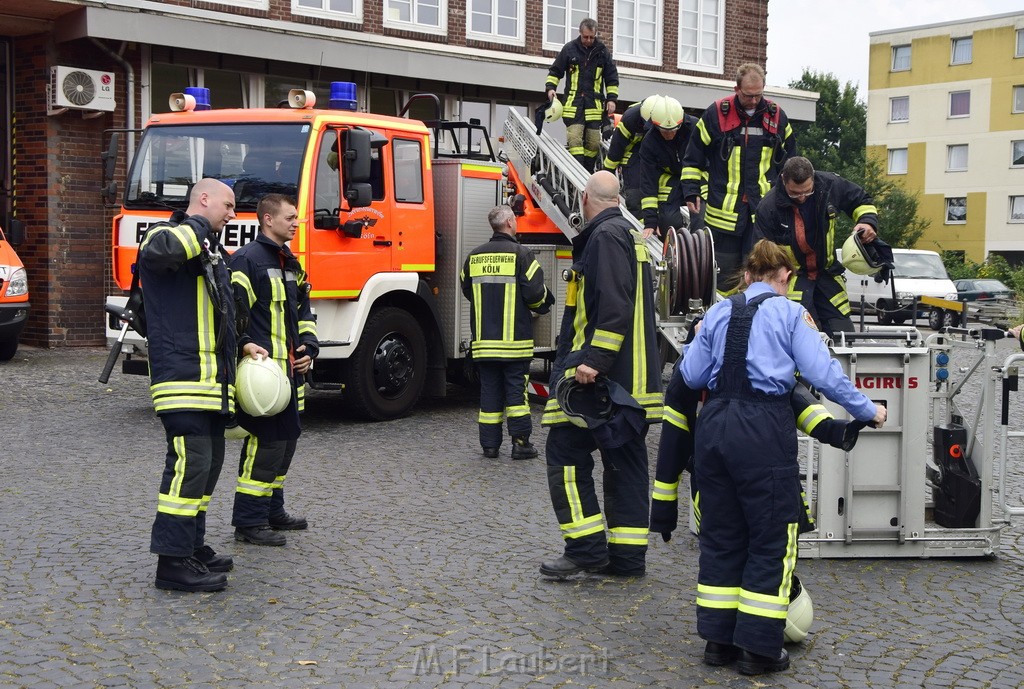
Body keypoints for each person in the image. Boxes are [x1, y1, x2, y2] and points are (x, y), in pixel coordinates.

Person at [681, 239, 886, 675]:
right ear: (784, 276)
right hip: (761, 429)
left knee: (721, 534)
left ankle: (717, 643)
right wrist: (868, 410)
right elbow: (822, 373)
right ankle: (759, 649)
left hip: (714, 426)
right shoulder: (791, 313)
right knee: (771, 537)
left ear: (749, 274)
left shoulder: (719, 311)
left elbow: (691, 373)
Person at [140, 178, 268, 592]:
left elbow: (224, 315)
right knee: (188, 468)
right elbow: (165, 252)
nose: (233, 215)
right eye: (228, 206)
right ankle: (172, 563)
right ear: (204, 199)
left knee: (207, 468)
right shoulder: (165, 234)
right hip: (182, 378)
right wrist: (199, 223)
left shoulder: (210, 249)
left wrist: (245, 342)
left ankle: (191, 547)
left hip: (212, 383)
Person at [539, 170, 662, 578]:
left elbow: (613, 306)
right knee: (625, 463)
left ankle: (585, 549)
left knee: (565, 454)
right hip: (634, 382)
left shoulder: (605, 237)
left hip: (601, 383)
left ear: (585, 198)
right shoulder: (629, 234)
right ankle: (627, 558)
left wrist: (593, 362)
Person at [229, 194, 319, 546]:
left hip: (291, 375)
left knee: (285, 445)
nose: (296, 223)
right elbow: (233, 317)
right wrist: (245, 346)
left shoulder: (291, 263)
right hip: (264, 377)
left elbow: (304, 314)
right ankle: (248, 523)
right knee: (264, 447)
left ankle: (272, 510)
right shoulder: (247, 260)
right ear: (268, 220)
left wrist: (309, 349)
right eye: (290, 217)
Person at [680, 64, 797, 293]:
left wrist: (788, 201)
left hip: (762, 215)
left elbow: (791, 163)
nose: (754, 101)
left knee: (760, 276)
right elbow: (693, 157)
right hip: (722, 215)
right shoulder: (715, 114)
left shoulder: (777, 117)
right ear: (736, 89)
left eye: (758, 95)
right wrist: (691, 191)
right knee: (722, 280)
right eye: (748, 95)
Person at [460, 205, 554, 460]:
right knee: (516, 394)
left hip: (484, 344)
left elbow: (467, 289)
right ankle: (521, 443)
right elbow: (536, 294)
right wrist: (544, 304)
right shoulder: (521, 255)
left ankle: (490, 446)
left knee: (489, 392)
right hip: (514, 343)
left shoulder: (474, 257)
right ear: (511, 222)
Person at [753, 156, 879, 338]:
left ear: (813, 177)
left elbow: (862, 201)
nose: (802, 197)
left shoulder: (830, 185)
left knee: (845, 339)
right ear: (783, 180)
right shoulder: (768, 207)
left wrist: (868, 222)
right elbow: (761, 256)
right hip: (792, 283)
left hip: (827, 278)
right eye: (795, 193)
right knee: (802, 339)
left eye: (807, 192)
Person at [545, 18, 619, 173]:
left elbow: (612, 77)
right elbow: (555, 70)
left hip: (594, 106)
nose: (589, 40)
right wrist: (551, 88)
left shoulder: (602, 52)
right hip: (573, 104)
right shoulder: (569, 49)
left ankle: (587, 172)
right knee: (575, 140)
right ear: (580, 33)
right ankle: (578, 172)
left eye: (592, 37)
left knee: (593, 143)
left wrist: (612, 99)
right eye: (586, 37)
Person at [635, 96, 698, 238]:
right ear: (655, 125)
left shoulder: (695, 128)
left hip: (696, 177)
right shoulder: (649, 143)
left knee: (699, 216)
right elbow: (648, 182)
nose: (669, 134)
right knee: (668, 223)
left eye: (674, 129)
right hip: (671, 180)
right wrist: (650, 221)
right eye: (664, 130)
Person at [602, 94, 662, 218]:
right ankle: (638, 229)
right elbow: (616, 149)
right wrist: (607, 176)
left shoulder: (664, 116)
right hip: (633, 154)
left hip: (654, 153)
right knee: (635, 195)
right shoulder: (630, 119)